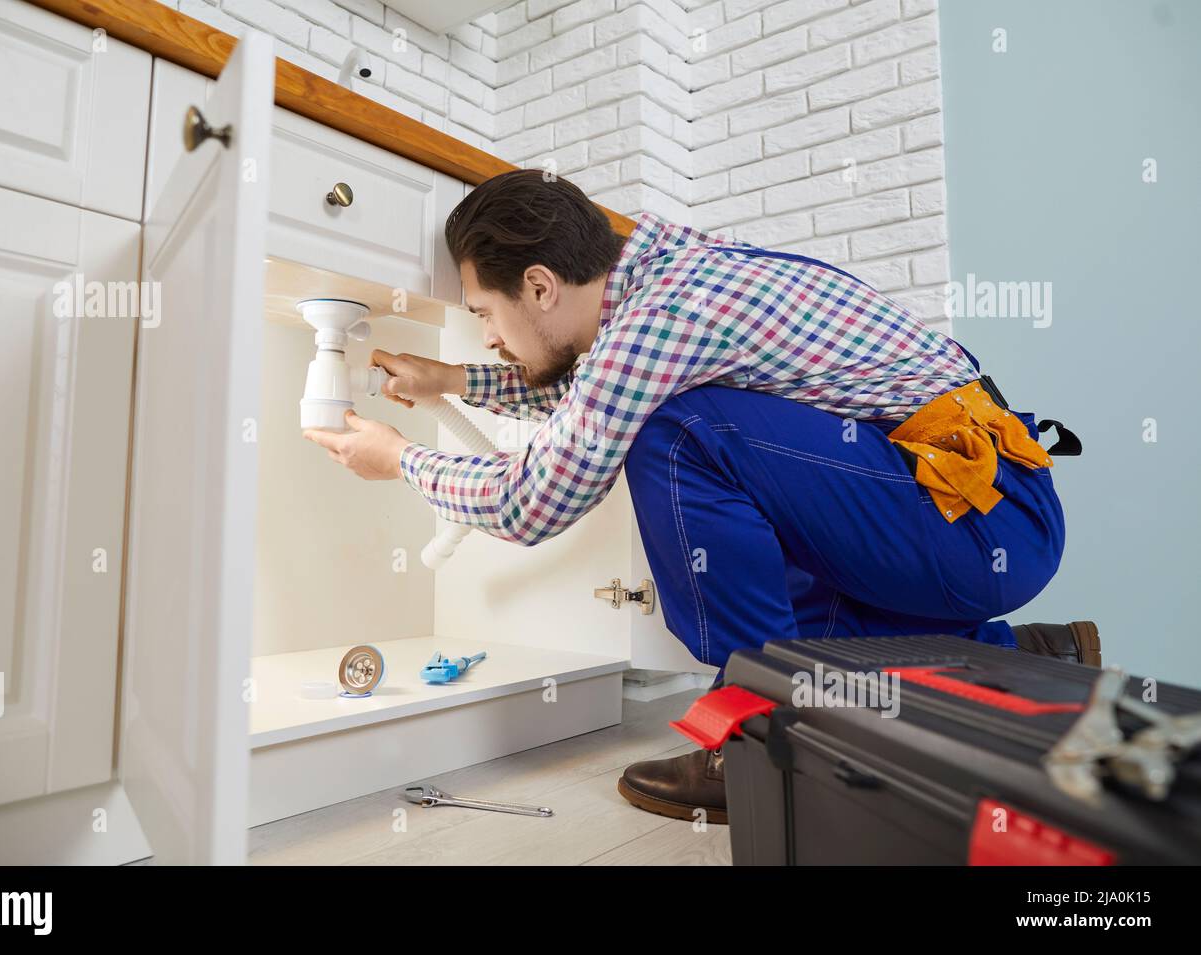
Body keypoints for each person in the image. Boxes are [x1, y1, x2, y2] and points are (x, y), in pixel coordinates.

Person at [303, 169, 1097, 824]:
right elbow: (593, 387)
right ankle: (1010, 657)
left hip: (977, 515)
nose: (488, 336)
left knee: (676, 436)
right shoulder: (664, 281)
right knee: (792, 623)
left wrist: (401, 459)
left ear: (540, 285)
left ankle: (754, 733)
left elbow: (531, 502)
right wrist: (452, 381)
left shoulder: (666, 312)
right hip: (980, 518)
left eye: (485, 314)